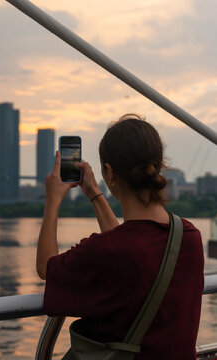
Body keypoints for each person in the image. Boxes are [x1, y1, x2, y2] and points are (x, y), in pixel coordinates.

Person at [36, 114, 204, 360]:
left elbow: (46, 268)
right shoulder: (190, 237)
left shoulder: (105, 250)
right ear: (158, 165)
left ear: (109, 172)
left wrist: (52, 201)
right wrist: (94, 194)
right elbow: (128, 241)